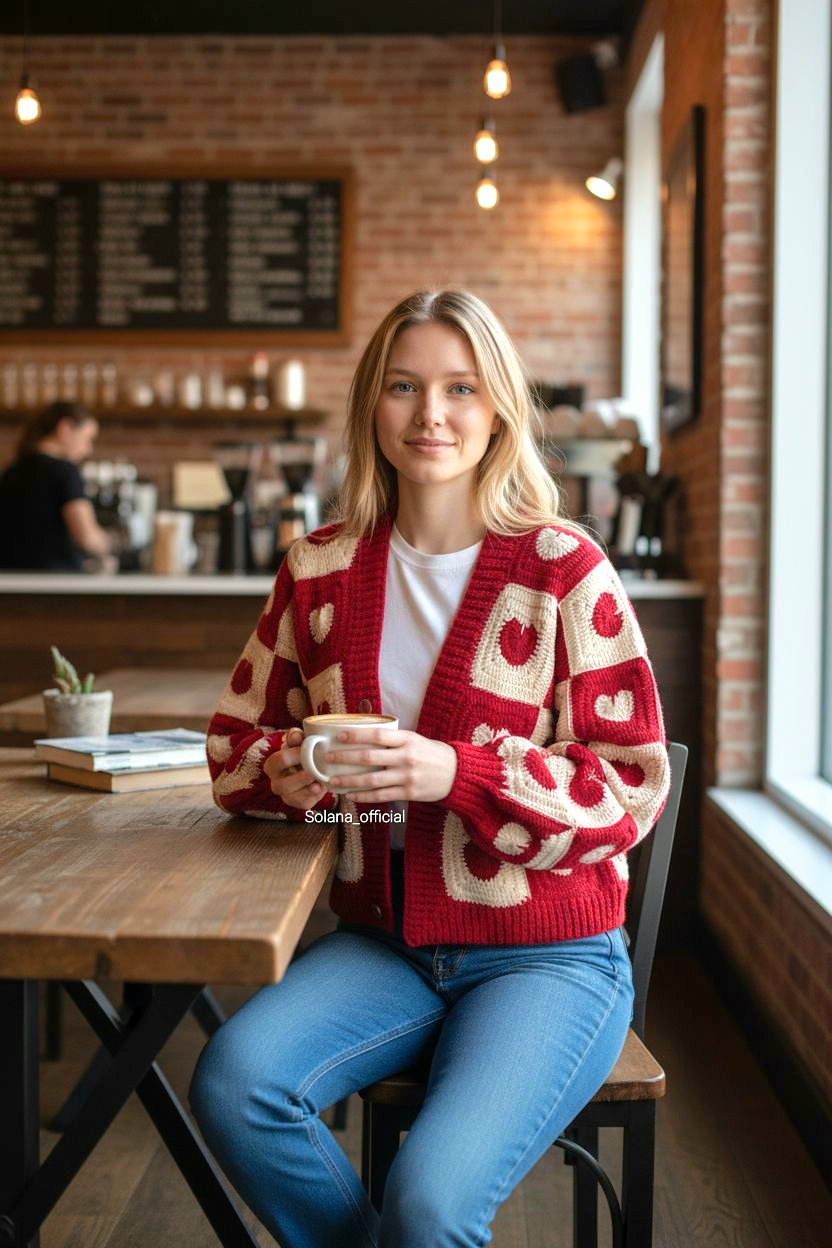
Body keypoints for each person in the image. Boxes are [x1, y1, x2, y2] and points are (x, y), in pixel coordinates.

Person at [190, 288, 670, 1248]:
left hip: (549, 952)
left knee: (432, 1203)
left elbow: (628, 786)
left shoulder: (562, 567)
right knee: (235, 1086)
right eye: (404, 387)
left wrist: (453, 772)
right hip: (385, 947)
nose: (431, 415)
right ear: (374, 403)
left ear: (497, 409)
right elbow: (231, 751)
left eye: (460, 389)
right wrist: (288, 772)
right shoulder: (318, 567)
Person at [0, 400, 111, 571]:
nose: (88, 449)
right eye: (87, 439)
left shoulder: (11, 471)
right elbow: (86, 537)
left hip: (10, 581)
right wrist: (108, 545)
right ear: (65, 429)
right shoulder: (65, 471)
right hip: (55, 583)